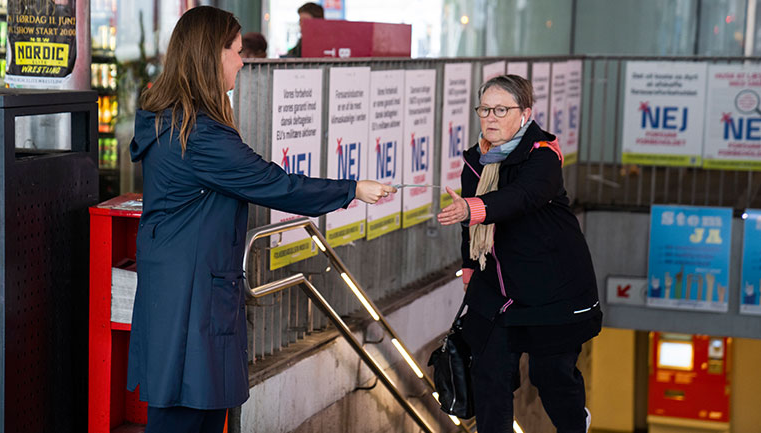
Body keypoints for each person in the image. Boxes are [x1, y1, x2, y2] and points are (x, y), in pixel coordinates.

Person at [126, 6, 395, 433]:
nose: (242, 59)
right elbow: (275, 183)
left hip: (181, 289)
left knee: (194, 410)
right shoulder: (199, 135)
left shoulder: (173, 121)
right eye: (235, 50)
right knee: (187, 415)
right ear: (210, 56)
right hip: (191, 299)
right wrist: (351, 189)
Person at [437, 75, 602, 433]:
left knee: (552, 376)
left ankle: (577, 425)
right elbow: (471, 228)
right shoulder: (476, 161)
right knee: (490, 379)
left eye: (501, 109)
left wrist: (473, 209)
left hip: (552, 289)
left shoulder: (543, 156)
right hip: (496, 289)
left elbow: (521, 198)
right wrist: (468, 268)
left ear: (525, 113)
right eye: (484, 109)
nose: (490, 118)